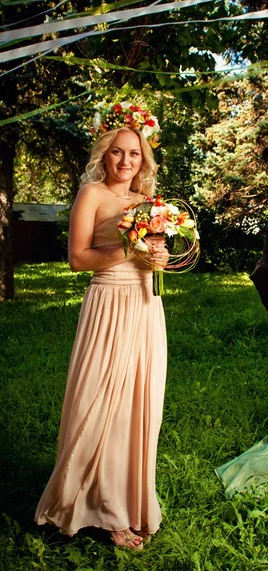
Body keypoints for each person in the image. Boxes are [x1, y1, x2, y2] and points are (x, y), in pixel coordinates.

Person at [35, 125, 169, 550]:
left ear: (143, 159)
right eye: (117, 153)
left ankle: (131, 502)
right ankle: (102, 507)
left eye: (134, 153)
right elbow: (78, 259)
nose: (126, 161)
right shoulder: (91, 194)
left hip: (147, 305)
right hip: (108, 302)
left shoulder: (148, 203)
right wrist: (129, 250)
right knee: (101, 400)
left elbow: (154, 255)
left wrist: (159, 256)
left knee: (138, 404)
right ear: (104, 156)